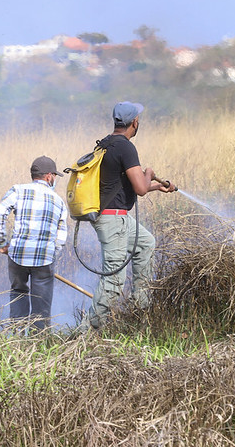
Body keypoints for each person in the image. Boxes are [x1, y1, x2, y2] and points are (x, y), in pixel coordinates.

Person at [82, 102, 177, 330]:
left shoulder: (105, 144)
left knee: (145, 244)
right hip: (113, 219)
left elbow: (129, 186)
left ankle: (140, 309)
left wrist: (156, 186)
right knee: (114, 278)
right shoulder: (125, 147)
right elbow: (140, 189)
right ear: (135, 122)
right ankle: (86, 333)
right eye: (139, 119)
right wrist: (150, 174)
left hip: (115, 216)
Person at [0, 156, 68, 332]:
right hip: (44, 260)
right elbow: (61, 235)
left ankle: (17, 338)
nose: (54, 179)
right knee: (41, 303)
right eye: (54, 176)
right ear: (49, 176)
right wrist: (53, 253)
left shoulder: (17, 190)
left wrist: (2, 242)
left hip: (17, 255)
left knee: (18, 292)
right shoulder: (58, 201)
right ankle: (38, 343)